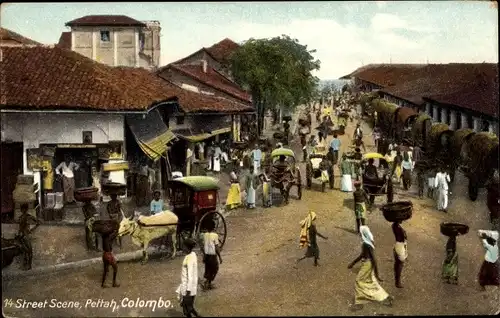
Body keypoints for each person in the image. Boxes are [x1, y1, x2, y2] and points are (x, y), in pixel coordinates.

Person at [348, 224, 393, 310]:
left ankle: (360, 302)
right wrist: (353, 263)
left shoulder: (366, 244)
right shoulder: (369, 242)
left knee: (358, 281)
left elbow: (373, 259)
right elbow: (362, 255)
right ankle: (385, 297)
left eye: (360, 233)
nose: (359, 234)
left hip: (367, 264)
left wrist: (377, 274)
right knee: (371, 282)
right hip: (368, 263)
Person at [177, 238, 200, 317]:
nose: (183, 248)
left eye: (184, 246)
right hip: (189, 286)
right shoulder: (193, 255)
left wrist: (188, 290)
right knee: (188, 307)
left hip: (187, 287)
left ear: (187, 247)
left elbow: (190, 275)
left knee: (187, 308)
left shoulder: (189, 258)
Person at [17, 203, 41, 270]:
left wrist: (31, 230)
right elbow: (20, 228)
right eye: (22, 209)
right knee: (24, 251)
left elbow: (38, 222)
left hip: (25, 235)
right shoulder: (21, 217)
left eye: (24, 209)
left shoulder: (28, 216)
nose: (23, 210)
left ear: (26, 209)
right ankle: (25, 265)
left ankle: (29, 265)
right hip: (21, 235)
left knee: (29, 250)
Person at [202, 220, 223, 290]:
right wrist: (220, 257)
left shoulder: (205, 235)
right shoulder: (215, 235)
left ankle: (208, 283)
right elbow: (217, 247)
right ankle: (208, 282)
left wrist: (204, 256)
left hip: (206, 255)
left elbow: (204, 246)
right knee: (215, 268)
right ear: (214, 227)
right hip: (212, 255)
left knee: (208, 269)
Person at [392, 220, 408, 288]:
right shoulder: (397, 227)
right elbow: (404, 236)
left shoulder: (394, 225)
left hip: (397, 245)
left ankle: (396, 280)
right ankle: (397, 282)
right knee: (400, 264)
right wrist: (404, 232)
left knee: (397, 263)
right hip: (400, 246)